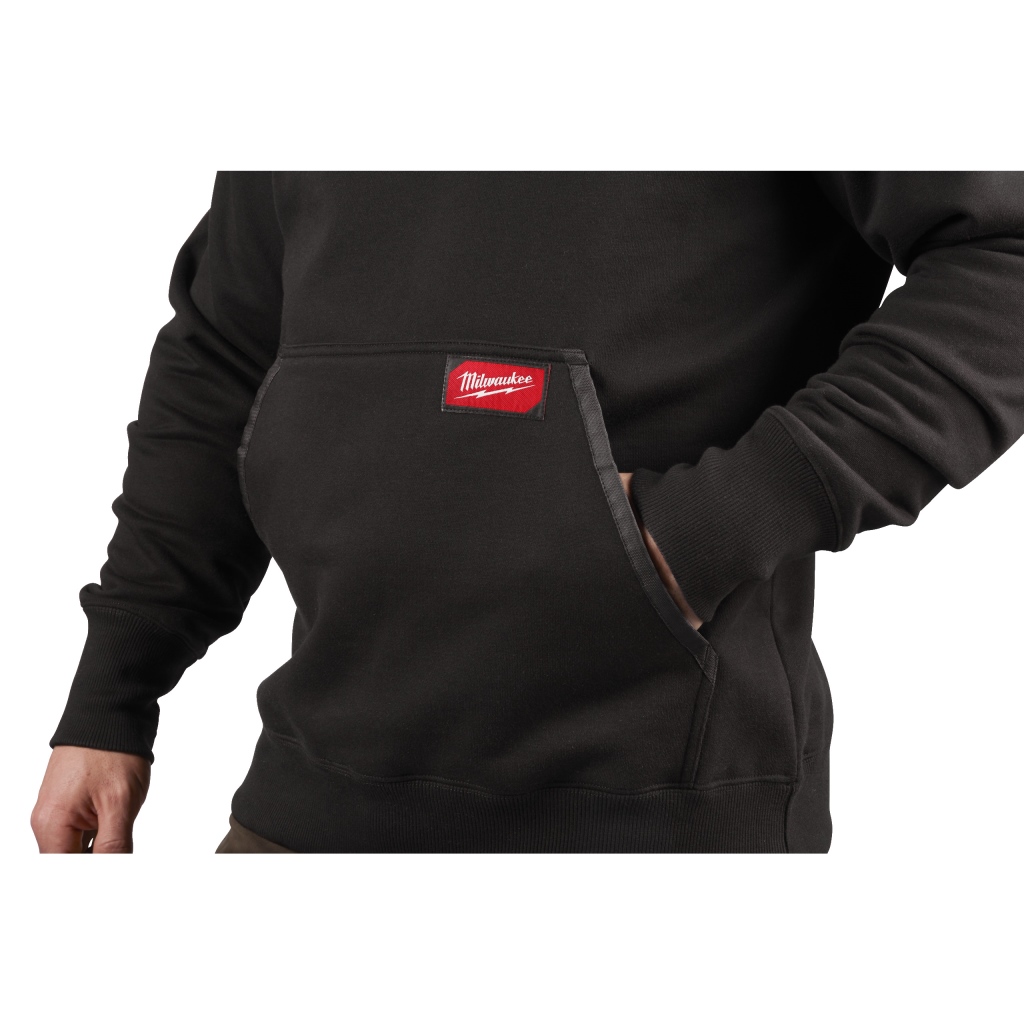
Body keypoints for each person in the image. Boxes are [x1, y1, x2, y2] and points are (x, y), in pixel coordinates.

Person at [31, 172, 1024, 854]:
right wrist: (113, 692)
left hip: (647, 827)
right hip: (307, 796)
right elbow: (226, 355)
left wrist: (701, 533)